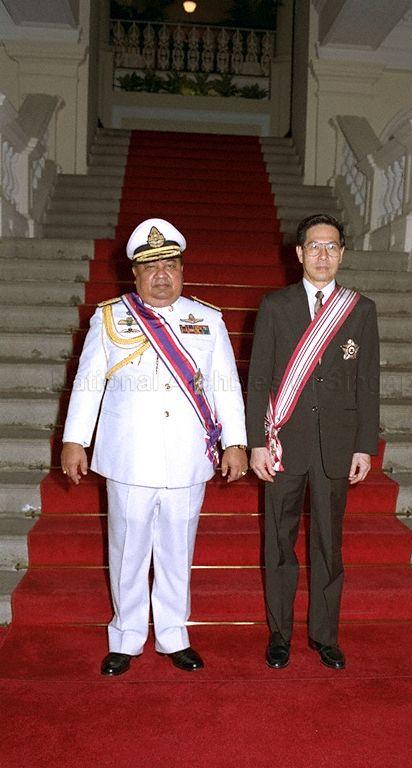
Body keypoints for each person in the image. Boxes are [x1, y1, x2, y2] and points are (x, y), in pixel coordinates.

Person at [61, 218, 248, 676]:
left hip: (187, 456)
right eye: (150, 267)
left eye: (170, 264)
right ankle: (126, 636)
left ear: (182, 270)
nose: (161, 274)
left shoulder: (207, 319)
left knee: (176, 550)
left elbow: (227, 388)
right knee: (127, 550)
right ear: (135, 275)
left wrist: (236, 442)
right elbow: (87, 385)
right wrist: (74, 440)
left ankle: (173, 635)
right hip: (129, 456)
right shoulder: (109, 318)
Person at [246, 213, 379, 670]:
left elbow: (367, 383)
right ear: (299, 253)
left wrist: (365, 444)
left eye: (332, 246)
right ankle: (279, 634)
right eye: (314, 246)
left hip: (336, 448)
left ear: (342, 253)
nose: (323, 254)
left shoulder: (360, 310)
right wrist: (255, 443)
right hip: (283, 442)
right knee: (278, 543)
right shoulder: (275, 306)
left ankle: (325, 635)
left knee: (328, 543)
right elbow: (259, 377)